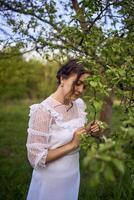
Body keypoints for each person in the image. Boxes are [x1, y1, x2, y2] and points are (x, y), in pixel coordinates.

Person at [26, 59, 101, 200]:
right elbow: (35, 158)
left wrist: (89, 130)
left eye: (85, 86)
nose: (80, 90)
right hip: (51, 181)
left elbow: (72, 132)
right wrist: (73, 144)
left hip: (72, 175)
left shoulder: (78, 105)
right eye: (77, 83)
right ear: (62, 79)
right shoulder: (43, 111)